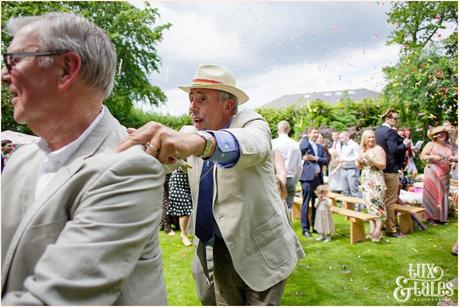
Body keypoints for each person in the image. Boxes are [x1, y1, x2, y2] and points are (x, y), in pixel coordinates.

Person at [1, 13, 166, 305]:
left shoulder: (130, 168)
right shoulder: (20, 160)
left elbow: (55, 299)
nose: (4, 75)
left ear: (66, 69)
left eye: (14, 60)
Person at [115, 64, 305, 305]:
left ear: (228, 106)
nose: (192, 107)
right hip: (213, 250)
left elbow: (253, 144)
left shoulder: (250, 122)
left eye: (202, 99)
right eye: (191, 99)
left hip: (259, 251)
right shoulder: (188, 133)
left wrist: (200, 143)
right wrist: (138, 151)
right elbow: (162, 162)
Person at [375, 109, 409, 237]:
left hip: (380, 170)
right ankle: (391, 229)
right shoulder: (389, 131)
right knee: (390, 201)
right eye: (395, 118)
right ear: (387, 119)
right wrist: (405, 144)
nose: (396, 121)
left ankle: (382, 225)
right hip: (390, 170)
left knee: (382, 199)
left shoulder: (377, 131)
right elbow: (394, 150)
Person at [420, 126, 456, 225]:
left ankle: (441, 218)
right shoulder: (431, 144)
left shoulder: (449, 146)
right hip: (432, 173)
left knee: (443, 195)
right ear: (435, 136)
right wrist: (432, 156)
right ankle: (430, 218)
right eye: (439, 133)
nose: (442, 135)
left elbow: (451, 159)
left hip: (445, 174)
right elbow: (422, 156)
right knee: (433, 195)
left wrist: (453, 163)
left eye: (444, 133)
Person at [356, 129, 387, 242]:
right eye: (369, 137)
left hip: (376, 180)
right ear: (364, 139)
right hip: (365, 179)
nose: (371, 139)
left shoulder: (378, 149)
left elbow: (383, 165)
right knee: (369, 204)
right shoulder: (362, 149)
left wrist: (371, 160)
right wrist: (359, 162)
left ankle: (378, 230)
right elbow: (360, 167)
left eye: (373, 137)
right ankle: (372, 229)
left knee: (378, 204)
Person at [299, 127, 329, 237]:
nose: (316, 134)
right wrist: (306, 137)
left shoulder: (320, 147)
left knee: (317, 203)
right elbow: (302, 147)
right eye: (314, 132)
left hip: (318, 179)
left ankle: (315, 226)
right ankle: (305, 228)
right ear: (309, 134)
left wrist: (315, 158)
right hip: (307, 178)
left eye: (317, 132)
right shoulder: (305, 144)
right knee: (306, 203)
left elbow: (326, 160)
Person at [271, 120, 302, 209]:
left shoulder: (272, 143)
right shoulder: (295, 144)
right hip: (290, 177)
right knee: (288, 208)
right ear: (288, 130)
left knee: (276, 207)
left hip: (275, 178)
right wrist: (295, 180)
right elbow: (299, 166)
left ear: (277, 130)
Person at [168, 168, 193, 246]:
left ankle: (187, 232)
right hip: (179, 180)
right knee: (185, 208)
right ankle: (183, 235)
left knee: (192, 208)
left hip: (191, 179)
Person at [338, 131, 361, 202]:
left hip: (352, 170)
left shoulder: (354, 145)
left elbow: (358, 157)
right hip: (343, 169)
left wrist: (345, 159)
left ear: (347, 136)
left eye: (341, 137)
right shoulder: (343, 145)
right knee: (345, 191)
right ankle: (348, 209)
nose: (340, 139)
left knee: (354, 191)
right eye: (340, 138)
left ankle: (357, 210)